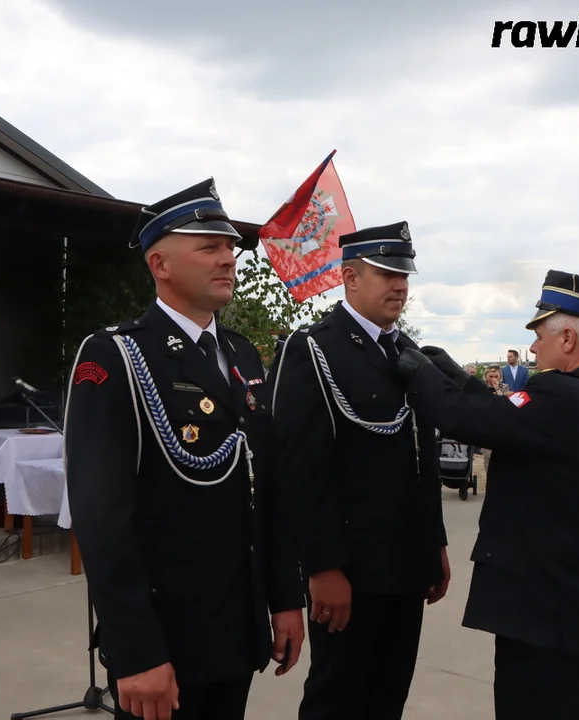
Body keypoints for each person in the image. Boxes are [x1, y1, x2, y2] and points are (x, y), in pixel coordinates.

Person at [63, 178, 305, 720]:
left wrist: (286, 599)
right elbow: (102, 519)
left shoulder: (242, 355)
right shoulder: (117, 356)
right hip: (165, 640)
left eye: (229, 248)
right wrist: (135, 651)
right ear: (160, 264)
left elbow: (266, 487)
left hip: (236, 631)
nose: (228, 259)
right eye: (209, 246)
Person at [395, 270, 579, 719]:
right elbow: (504, 416)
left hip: (547, 619)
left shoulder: (565, 395)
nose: (533, 348)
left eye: (540, 335)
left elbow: (467, 421)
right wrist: (458, 377)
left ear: (568, 338)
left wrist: (421, 376)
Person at [269, 222, 449, 720]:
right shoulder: (313, 351)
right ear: (349, 277)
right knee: (338, 698)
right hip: (351, 570)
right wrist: (324, 567)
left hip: (406, 564)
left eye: (404, 275)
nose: (400, 285)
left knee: (388, 696)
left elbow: (422, 458)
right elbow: (299, 470)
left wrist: (434, 543)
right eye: (387, 273)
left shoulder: (408, 353)